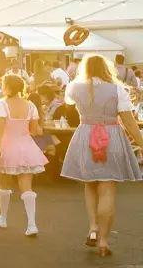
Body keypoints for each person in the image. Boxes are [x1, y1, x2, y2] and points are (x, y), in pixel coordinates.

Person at [60, 54, 143, 257]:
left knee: (89, 184)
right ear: (107, 69)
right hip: (111, 136)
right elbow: (129, 121)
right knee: (107, 188)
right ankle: (104, 242)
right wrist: (141, 143)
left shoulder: (73, 87)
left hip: (85, 135)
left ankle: (93, 228)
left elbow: (69, 104)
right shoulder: (117, 89)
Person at [0, 74, 48, 237]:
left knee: (5, 182)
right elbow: (34, 130)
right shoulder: (30, 105)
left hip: (8, 146)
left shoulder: (1, 104)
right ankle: (32, 224)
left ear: (8, 87)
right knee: (26, 185)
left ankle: (3, 217)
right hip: (27, 146)